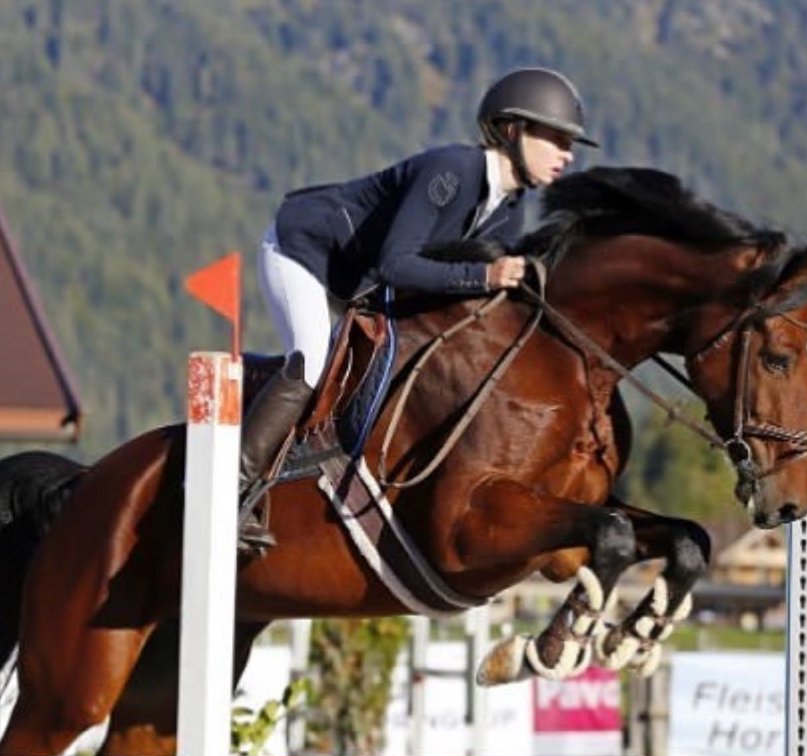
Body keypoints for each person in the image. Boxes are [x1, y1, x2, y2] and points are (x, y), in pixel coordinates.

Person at [241, 67, 599, 551]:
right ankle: (232, 486)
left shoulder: (510, 209)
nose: (567, 155)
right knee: (313, 362)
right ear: (513, 130)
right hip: (305, 253)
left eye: (569, 143)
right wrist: (485, 276)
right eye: (556, 139)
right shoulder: (452, 170)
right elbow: (396, 264)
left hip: (361, 283)